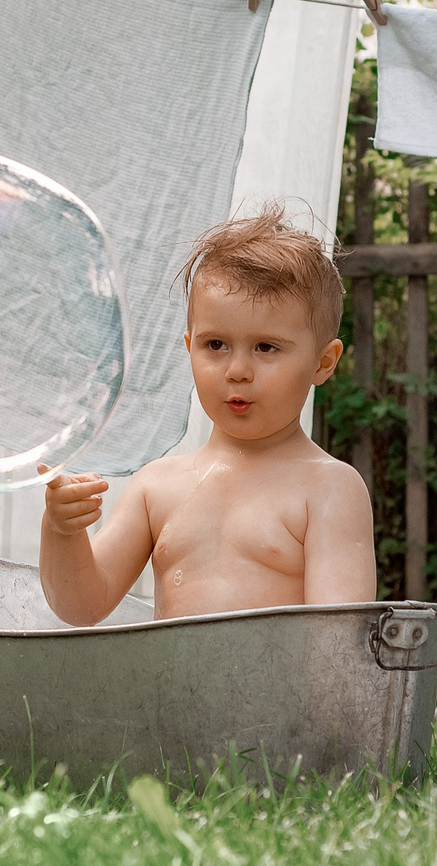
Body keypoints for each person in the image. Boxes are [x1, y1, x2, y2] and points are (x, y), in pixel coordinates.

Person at [40, 204, 376, 625]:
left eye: (266, 347)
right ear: (189, 349)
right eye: (215, 345)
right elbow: (81, 607)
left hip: (278, 692)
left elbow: (339, 641)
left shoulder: (328, 489)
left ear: (323, 363)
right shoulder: (157, 487)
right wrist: (62, 530)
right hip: (173, 692)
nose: (237, 370)